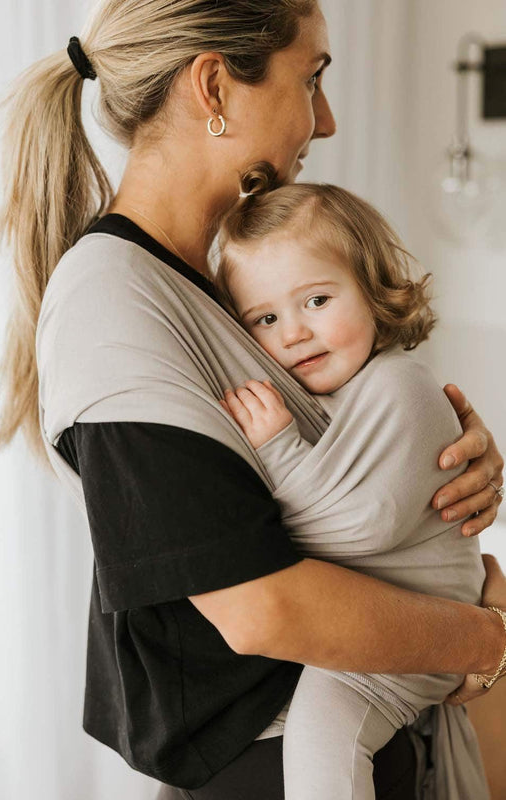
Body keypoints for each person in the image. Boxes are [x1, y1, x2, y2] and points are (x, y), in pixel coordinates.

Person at [0, 1, 505, 798]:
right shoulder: (114, 299)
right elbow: (259, 607)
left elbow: (332, 465)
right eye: (312, 79)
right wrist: (482, 638)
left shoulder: (223, 286)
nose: (325, 121)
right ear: (214, 87)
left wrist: (434, 458)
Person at [214, 174, 496, 798]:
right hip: (375, 624)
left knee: (323, 735)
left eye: (316, 300)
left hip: (420, 624)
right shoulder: (331, 398)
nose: (293, 332)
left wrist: (275, 453)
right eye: (264, 317)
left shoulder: (404, 387)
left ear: (372, 291)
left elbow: (358, 525)